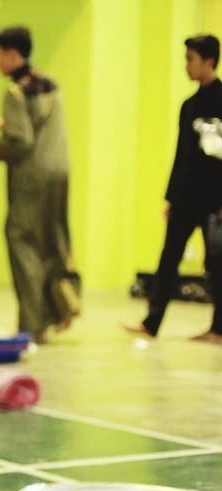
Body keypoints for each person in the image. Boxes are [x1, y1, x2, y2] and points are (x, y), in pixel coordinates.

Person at [0, 26, 79, 343]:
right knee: (53, 241)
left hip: (32, 175)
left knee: (21, 240)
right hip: (59, 170)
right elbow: (38, 123)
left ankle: (32, 324)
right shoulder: (48, 84)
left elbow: (21, 142)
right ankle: (64, 304)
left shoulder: (14, 92)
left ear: (12, 55)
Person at [126, 34, 222, 343]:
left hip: (214, 200)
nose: (186, 66)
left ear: (209, 62)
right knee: (168, 259)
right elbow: (182, 155)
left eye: (191, 59)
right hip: (186, 198)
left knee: (217, 263)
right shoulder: (189, 106)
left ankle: (219, 328)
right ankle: (152, 322)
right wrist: (171, 196)